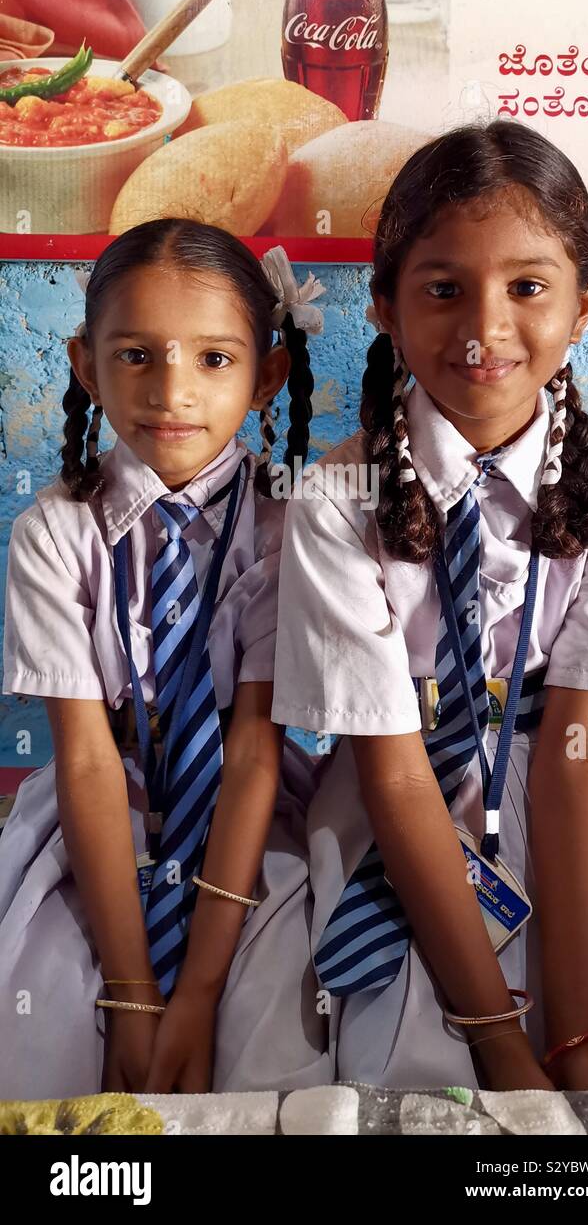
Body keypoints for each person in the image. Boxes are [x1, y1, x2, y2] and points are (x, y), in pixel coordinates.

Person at [271, 120, 588, 1091]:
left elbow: (577, 752)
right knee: (410, 1063)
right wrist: (498, 1039)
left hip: (564, 805)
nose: (483, 328)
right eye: (442, 289)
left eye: (526, 287)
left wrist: (572, 1040)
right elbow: (391, 778)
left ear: (583, 306)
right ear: (388, 308)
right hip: (397, 808)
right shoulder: (335, 499)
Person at [0, 218, 328, 1097]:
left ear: (268, 376)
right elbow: (83, 757)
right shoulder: (53, 534)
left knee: (268, 1034)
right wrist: (136, 992)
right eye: (137, 354)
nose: (172, 391)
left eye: (215, 360)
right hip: (96, 815)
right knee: (47, 1024)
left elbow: (257, 748)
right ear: (84, 363)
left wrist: (198, 992)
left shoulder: (289, 530)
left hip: (254, 816)